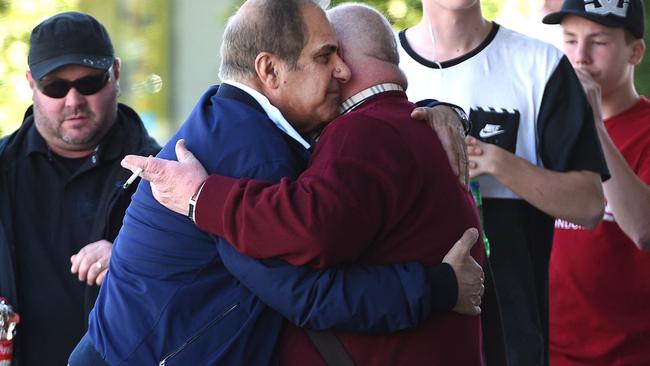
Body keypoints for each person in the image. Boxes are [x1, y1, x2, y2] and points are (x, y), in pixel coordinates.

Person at [70, 0, 485, 364]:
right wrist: (438, 287)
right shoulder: (250, 156)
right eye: (325, 57)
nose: (342, 70)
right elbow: (308, 295)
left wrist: (432, 109)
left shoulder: (232, 119)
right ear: (269, 70)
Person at [394, 1, 611, 365]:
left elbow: (589, 205)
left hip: (512, 339)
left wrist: (494, 161)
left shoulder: (540, 64)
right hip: (407, 333)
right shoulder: (381, 63)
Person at [0, 12, 160, 366]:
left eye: (88, 83)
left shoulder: (163, 175)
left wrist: (129, 259)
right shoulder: (4, 169)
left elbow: (200, 285)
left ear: (115, 74)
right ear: (31, 83)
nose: (73, 100)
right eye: (55, 87)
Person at [542, 1, 650, 365]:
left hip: (628, 354)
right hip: (547, 351)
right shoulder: (546, 126)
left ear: (635, 52)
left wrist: (596, 130)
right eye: (570, 40)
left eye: (598, 42)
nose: (580, 56)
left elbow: (644, 230)